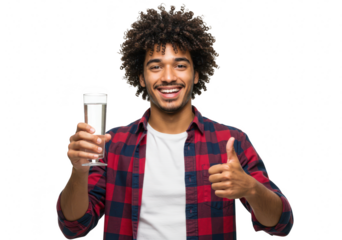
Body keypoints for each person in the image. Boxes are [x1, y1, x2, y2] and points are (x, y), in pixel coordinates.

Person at [56, 2, 294, 239]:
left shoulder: (230, 141)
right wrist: (79, 170)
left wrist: (251, 189)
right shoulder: (111, 144)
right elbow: (74, 226)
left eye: (180, 65)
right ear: (141, 77)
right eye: (156, 66)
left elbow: (281, 223)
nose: (168, 77)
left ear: (196, 72)